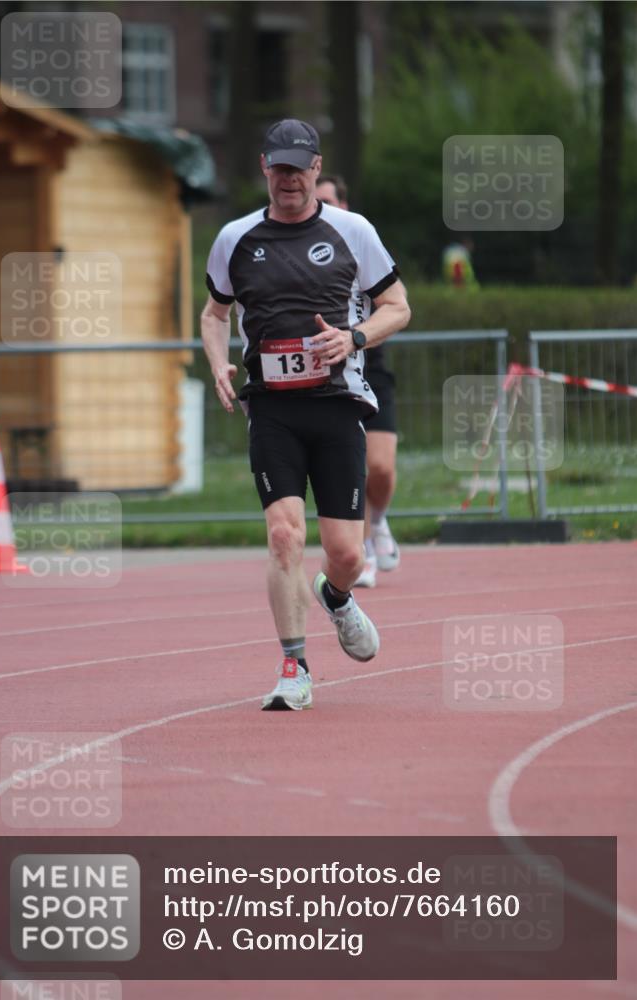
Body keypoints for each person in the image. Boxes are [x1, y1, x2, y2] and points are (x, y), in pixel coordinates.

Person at [201, 119, 410, 711]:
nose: (289, 178)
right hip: (271, 409)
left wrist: (355, 337)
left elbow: (398, 306)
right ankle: (294, 665)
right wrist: (218, 363)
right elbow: (214, 314)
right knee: (284, 534)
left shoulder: (353, 230)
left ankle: (336, 597)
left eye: (300, 167)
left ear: (317, 169)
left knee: (347, 555)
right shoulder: (234, 238)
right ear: (264, 168)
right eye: (279, 167)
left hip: (336, 404)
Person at [316, 174, 401, 589]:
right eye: (318, 202)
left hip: (370, 365)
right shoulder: (293, 245)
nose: (323, 208)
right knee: (359, 465)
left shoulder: (362, 238)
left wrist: (357, 337)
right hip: (326, 378)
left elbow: (395, 304)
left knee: (382, 467)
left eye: (330, 201)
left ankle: (380, 521)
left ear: (345, 204)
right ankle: (361, 549)